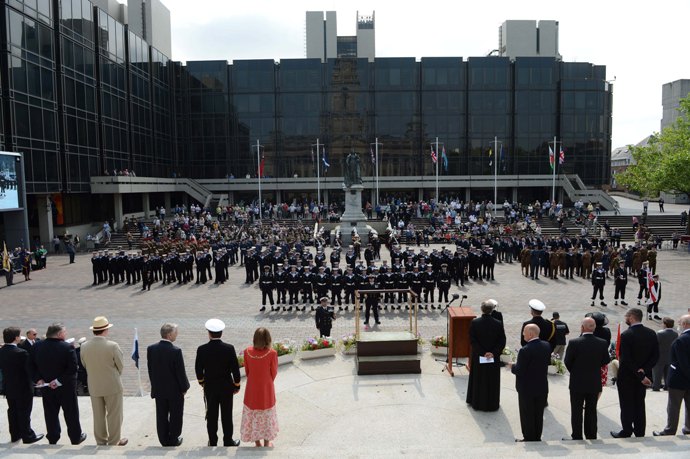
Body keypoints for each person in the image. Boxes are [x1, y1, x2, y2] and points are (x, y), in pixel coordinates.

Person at [31, 323, 87, 445]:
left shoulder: (37, 346)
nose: (65, 334)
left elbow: (31, 365)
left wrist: (38, 379)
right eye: (64, 332)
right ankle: (75, 437)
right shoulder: (67, 347)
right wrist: (58, 381)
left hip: (46, 386)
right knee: (71, 412)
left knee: (50, 413)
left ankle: (53, 437)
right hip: (65, 387)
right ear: (59, 334)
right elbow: (72, 369)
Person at [611, 308, 660, 438]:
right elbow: (655, 356)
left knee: (626, 404)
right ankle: (640, 431)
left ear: (632, 317)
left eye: (627, 316)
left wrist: (639, 374)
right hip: (643, 378)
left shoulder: (627, 335)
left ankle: (627, 430)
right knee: (639, 403)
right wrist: (643, 371)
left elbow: (626, 359)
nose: (626, 319)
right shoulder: (651, 333)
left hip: (627, 376)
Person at [79, 316, 127, 446]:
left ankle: (100, 440)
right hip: (112, 385)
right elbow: (120, 365)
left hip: (94, 385)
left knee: (98, 415)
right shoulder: (112, 346)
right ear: (105, 330)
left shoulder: (84, 346)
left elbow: (84, 364)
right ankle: (114, 440)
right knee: (114, 414)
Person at [195, 318, 241, 447]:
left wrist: (202, 382)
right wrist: (236, 385)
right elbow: (235, 370)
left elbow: (198, 369)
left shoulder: (202, 349)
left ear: (209, 333)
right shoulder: (229, 348)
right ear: (221, 333)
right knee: (227, 415)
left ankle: (213, 441)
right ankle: (228, 441)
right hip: (226, 387)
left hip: (210, 387)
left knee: (211, 415)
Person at [563, 318, 611, 440]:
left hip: (577, 382)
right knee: (591, 410)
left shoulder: (574, 342)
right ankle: (591, 435)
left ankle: (577, 435)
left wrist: (576, 372)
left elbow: (567, 361)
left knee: (576, 411)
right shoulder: (602, 343)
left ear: (582, 327)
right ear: (594, 328)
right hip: (594, 381)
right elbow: (605, 360)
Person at [147, 323, 189, 447]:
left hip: (159, 389)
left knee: (161, 415)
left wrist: (154, 386)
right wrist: (184, 387)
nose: (177, 334)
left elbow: (150, 369)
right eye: (176, 332)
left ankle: (163, 439)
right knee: (176, 415)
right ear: (169, 335)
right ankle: (173, 439)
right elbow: (180, 372)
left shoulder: (151, 349)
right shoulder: (175, 351)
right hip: (174, 391)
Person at [0, 327, 44, 443]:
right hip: (23, 387)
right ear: (16, 338)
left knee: (12, 411)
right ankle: (27, 436)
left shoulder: (2, 351)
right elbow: (29, 370)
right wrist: (38, 379)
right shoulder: (21, 353)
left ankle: (15, 435)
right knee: (24, 411)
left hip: (9, 386)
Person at [510, 324, 551, 442]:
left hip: (526, 388)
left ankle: (528, 437)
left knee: (527, 414)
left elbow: (519, 370)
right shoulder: (546, 346)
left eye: (524, 332)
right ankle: (537, 436)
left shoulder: (525, 350)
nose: (523, 334)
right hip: (541, 385)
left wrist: (512, 366)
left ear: (531, 334)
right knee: (538, 414)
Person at [241, 327, 279, 447]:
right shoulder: (272, 353)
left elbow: (247, 371)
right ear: (268, 339)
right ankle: (267, 443)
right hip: (266, 389)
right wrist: (266, 381)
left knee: (253, 415)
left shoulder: (247, 352)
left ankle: (257, 443)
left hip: (252, 389)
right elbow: (274, 372)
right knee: (267, 414)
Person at [653, 314, 690, 436]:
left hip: (679, 380)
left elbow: (683, 362)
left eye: (680, 323)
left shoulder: (681, 340)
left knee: (673, 407)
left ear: (685, 324)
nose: (678, 326)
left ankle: (670, 430)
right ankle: (688, 428)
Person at [466, 301, 506, 411]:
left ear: (481, 309)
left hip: (479, 356)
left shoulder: (475, 322)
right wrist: (492, 353)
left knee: (479, 379)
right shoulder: (498, 323)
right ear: (492, 310)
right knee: (492, 381)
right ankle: (492, 404)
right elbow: (502, 341)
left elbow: (472, 341)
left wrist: (483, 352)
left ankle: (477, 402)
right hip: (493, 357)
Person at [652, 317, 679, 392]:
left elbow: (655, 344)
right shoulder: (675, 334)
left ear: (665, 324)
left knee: (657, 373)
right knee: (667, 373)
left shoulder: (660, 333)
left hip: (659, 356)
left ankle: (656, 386)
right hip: (670, 356)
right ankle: (667, 386)